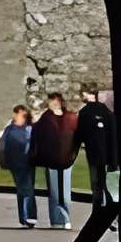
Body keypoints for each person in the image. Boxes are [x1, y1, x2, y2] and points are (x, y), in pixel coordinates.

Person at [28, 91, 78, 229]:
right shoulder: (46, 119)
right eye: (51, 101)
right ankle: (57, 219)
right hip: (51, 158)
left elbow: (77, 137)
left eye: (55, 101)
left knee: (65, 192)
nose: (53, 104)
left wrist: (73, 153)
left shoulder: (70, 118)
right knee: (55, 192)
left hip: (67, 158)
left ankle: (65, 217)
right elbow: (37, 136)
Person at [74, 84, 118, 208]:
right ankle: (111, 216)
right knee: (108, 186)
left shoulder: (85, 112)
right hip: (107, 155)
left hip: (94, 155)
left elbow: (79, 134)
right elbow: (112, 136)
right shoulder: (106, 112)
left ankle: (98, 212)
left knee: (97, 186)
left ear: (88, 94)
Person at [0, 104, 39, 227]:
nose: (16, 115)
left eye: (18, 113)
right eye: (16, 113)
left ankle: (27, 217)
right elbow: (2, 146)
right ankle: (27, 217)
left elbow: (35, 144)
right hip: (15, 162)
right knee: (24, 189)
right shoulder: (10, 129)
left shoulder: (30, 128)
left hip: (29, 162)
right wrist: (4, 161)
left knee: (26, 189)